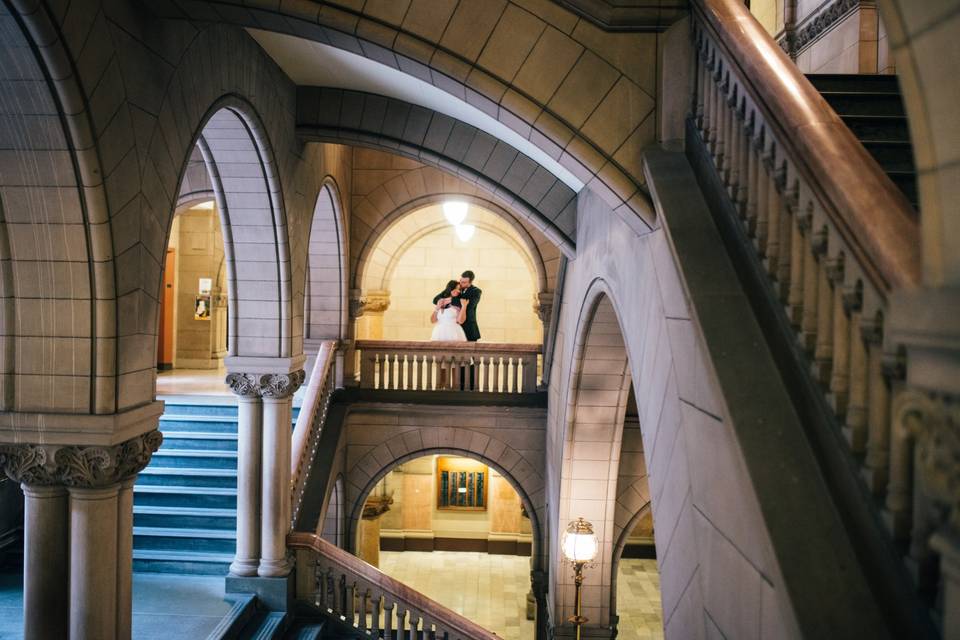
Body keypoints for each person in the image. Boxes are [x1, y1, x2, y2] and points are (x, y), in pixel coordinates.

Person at [432, 270, 481, 341]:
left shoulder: (476, 291)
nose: (461, 283)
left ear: (470, 282)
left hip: (468, 328)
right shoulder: (455, 286)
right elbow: (435, 300)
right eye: (461, 280)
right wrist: (447, 299)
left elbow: (469, 305)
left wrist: (451, 300)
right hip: (451, 328)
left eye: (464, 282)